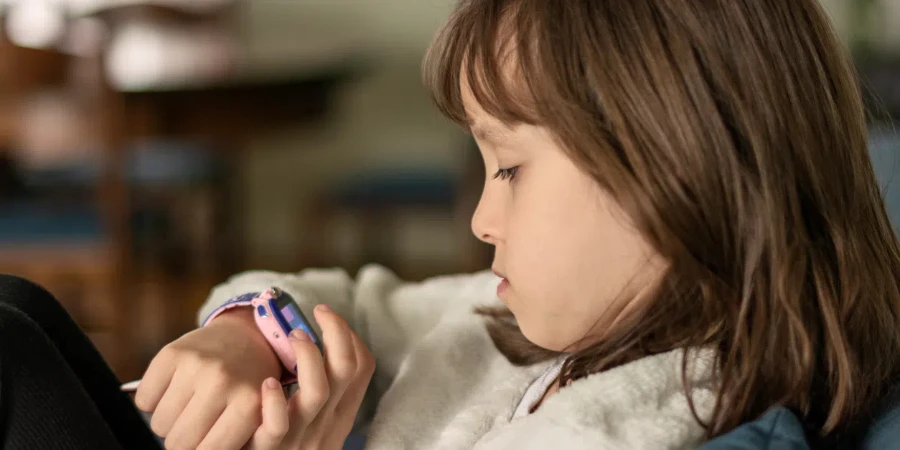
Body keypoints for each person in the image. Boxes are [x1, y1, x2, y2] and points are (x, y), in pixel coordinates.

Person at [2, 0, 898, 448]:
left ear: (675, 168)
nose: (478, 218)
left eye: (509, 167)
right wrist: (251, 331)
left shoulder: (634, 422)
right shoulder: (534, 318)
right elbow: (351, 295)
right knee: (22, 311)